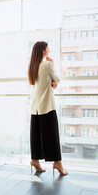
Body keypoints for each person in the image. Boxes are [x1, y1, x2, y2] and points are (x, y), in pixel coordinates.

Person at [28, 41, 68, 176]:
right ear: (43, 51)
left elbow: (45, 82)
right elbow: (57, 78)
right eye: (48, 49)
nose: (49, 52)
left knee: (36, 134)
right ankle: (58, 163)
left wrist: (53, 83)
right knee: (52, 134)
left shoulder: (33, 66)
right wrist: (53, 67)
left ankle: (35, 160)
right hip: (46, 106)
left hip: (35, 106)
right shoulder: (47, 64)